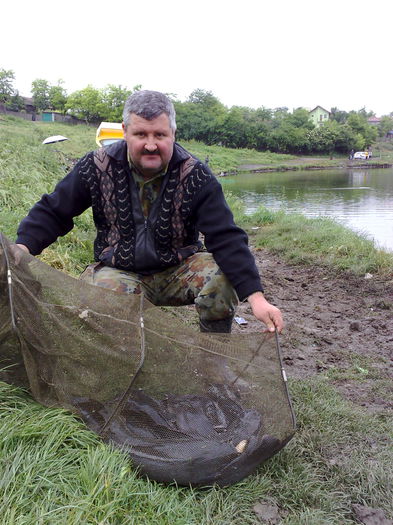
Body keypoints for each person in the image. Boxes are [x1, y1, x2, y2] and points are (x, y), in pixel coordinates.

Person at [15, 90, 283, 334]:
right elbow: (54, 211)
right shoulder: (96, 166)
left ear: (173, 133)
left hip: (178, 269)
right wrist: (22, 248)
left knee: (223, 277)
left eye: (160, 135)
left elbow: (226, 237)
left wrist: (256, 298)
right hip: (119, 270)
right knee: (105, 301)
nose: (151, 145)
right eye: (141, 135)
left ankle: (213, 352)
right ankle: (125, 357)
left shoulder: (196, 175)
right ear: (125, 132)